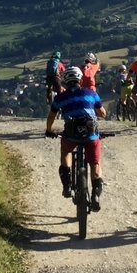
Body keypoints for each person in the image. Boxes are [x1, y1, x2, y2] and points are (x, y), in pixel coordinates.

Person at [45, 66, 108, 210]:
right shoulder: (91, 93)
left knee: (66, 152)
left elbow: (51, 116)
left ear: (65, 82)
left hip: (71, 135)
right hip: (91, 134)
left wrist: (49, 130)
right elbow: (103, 114)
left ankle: (67, 185)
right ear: (80, 80)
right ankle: (96, 195)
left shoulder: (61, 97)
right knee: (95, 164)